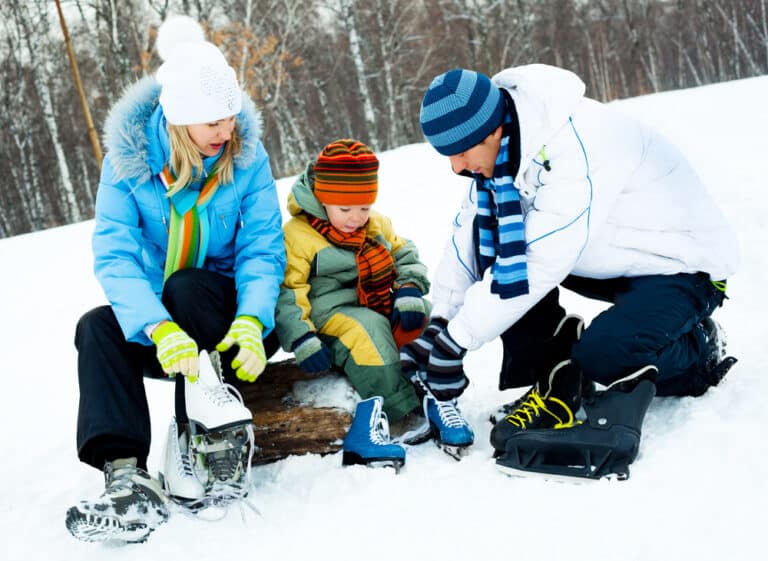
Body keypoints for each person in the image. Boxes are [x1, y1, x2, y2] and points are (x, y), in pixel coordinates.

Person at [404, 64, 738, 478]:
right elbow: (468, 243)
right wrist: (439, 324)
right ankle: (557, 376)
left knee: (608, 353)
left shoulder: (577, 143)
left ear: (489, 132)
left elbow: (541, 261)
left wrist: (457, 343)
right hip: (617, 256)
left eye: (459, 153)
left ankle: (697, 349)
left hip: (686, 265)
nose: (455, 167)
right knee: (500, 253)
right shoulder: (506, 153)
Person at [65, 15, 285, 543]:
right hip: (172, 337)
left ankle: (206, 441)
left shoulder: (246, 157)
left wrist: (255, 319)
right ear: (178, 118)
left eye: (230, 117)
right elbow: (114, 256)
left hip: (236, 328)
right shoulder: (127, 164)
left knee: (187, 283)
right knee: (96, 328)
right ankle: (127, 477)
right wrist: (157, 329)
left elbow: (262, 250)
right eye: (212, 122)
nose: (225, 131)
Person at [274, 139, 473, 468]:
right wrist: (302, 337)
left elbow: (403, 253)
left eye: (364, 207)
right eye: (345, 210)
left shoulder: (374, 224)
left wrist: (408, 288)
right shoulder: (297, 235)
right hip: (329, 319)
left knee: (427, 317)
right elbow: (287, 290)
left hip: (374, 301)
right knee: (370, 331)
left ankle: (439, 394)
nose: (356, 218)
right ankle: (403, 411)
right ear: (323, 201)